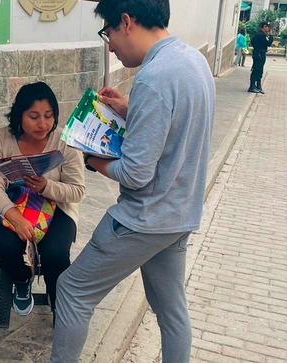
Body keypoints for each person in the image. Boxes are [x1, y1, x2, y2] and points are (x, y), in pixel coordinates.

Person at [50, 1, 215, 362]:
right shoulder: (193, 61)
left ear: (126, 22)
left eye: (107, 32)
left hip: (143, 218)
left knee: (73, 290)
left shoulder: (154, 79)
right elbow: (178, 128)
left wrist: (91, 157)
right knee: (171, 312)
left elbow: (135, 175)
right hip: (180, 215)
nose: (109, 44)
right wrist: (130, 110)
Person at [0, 82, 85, 316]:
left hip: (58, 208)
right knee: (1, 247)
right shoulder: (2, 139)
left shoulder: (64, 142)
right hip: (17, 205)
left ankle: (58, 301)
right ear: (19, 115)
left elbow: (78, 190)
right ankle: (22, 280)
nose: (43, 124)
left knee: (55, 255)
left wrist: (47, 186)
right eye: (34, 116)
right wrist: (16, 219)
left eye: (49, 116)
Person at [249, 22, 274, 94]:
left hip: (258, 53)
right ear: (264, 27)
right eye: (268, 27)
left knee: (259, 69)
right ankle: (252, 86)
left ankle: (257, 86)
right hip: (260, 54)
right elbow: (268, 43)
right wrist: (271, 36)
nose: (269, 29)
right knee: (257, 69)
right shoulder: (261, 35)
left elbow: (252, 41)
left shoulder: (258, 34)